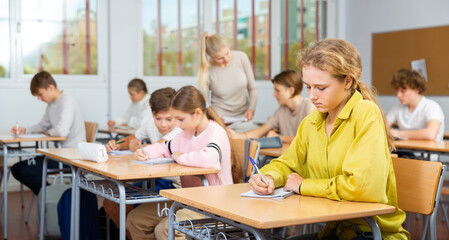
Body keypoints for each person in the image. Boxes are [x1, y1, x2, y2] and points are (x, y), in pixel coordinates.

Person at [249, 39, 410, 240]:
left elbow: (363, 188)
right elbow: (288, 164)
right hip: (337, 232)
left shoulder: (365, 113)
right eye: (308, 87)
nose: (312, 96)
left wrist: (303, 186)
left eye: (321, 88)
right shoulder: (312, 121)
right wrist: (268, 177)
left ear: (348, 81)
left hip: (371, 233)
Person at [127, 85, 233, 240]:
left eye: (180, 119)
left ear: (197, 113)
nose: (177, 124)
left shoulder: (216, 132)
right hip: (187, 199)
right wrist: (146, 152)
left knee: (164, 229)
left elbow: (210, 159)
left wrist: (180, 157)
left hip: (213, 203)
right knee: (135, 220)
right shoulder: (186, 134)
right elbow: (164, 147)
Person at [103, 87, 183, 235]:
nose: (163, 124)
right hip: (154, 181)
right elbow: (130, 140)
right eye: (158, 118)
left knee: (127, 207)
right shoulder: (150, 124)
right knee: (111, 202)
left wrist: (140, 146)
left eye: (168, 119)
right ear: (152, 114)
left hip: (173, 186)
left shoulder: (180, 127)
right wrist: (116, 144)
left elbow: (159, 146)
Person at [11, 70, 86, 196]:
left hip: (70, 156)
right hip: (58, 154)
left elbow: (62, 131)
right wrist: (25, 130)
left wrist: (49, 132)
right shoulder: (51, 105)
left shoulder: (67, 101)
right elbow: (43, 125)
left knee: (25, 172)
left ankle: (51, 196)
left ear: (51, 88)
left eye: (40, 94)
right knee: (16, 169)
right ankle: (49, 194)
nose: (39, 99)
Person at [227, 69, 314, 144]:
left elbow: (309, 139)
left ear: (291, 90)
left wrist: (279, 138)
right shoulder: (281, 110)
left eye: (277, 90)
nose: (274, 95)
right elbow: (261, 131)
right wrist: (238, 136)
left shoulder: (309, 107)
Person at [198, 32, 258, 132]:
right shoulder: (207, 69)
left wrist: (251, 109)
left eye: (227, 53)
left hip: (243, 118)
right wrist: (214, 118)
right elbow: (205, 102)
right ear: (211, 57)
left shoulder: (241, 57)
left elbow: (252, 89)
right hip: (220, 119)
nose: (226, 59)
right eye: (220, 58)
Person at [386, 69, 445, 141]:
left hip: (426, 151)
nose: (398, 95)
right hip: (405, 150)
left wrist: (398, 133)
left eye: (403, 91)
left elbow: (430, 134)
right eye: (397, 91)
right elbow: (383, 126)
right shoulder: (397, 108)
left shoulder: (432, 107)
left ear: (416, 90)